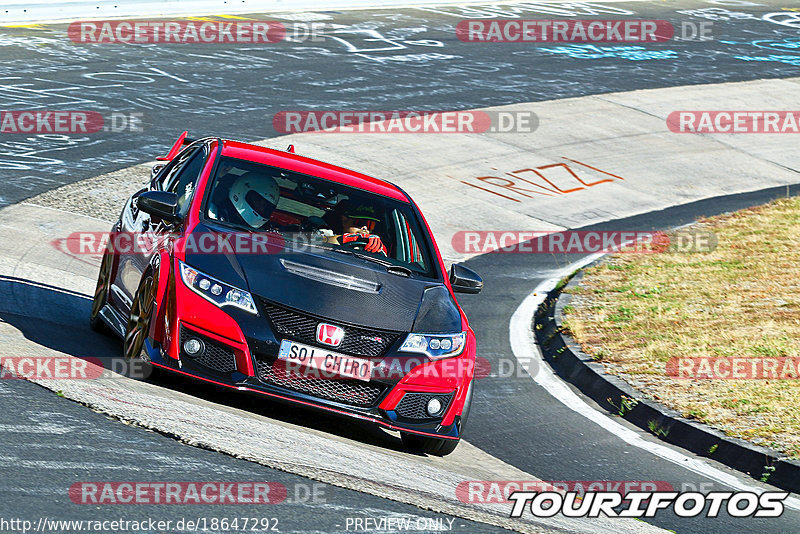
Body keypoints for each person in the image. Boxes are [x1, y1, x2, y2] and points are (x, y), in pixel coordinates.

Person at [209, 172, 281, 231]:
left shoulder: (264, 231)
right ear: (242, 190)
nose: (261, 208)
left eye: (266, 206)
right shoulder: (211, 214)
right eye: (258, 201)